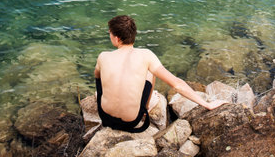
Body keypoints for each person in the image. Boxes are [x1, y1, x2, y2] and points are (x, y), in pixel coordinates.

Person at [94, 15, 227, 133]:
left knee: (100, 77)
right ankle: (145, 107)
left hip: (105, 118)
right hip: (131, 122)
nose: (109, 36)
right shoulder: (146, 55)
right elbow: (177, 85)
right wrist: (207, 105)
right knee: (150, 73)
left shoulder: (103, 56)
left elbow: (97, 78)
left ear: (117, 39)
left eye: (110, 34)